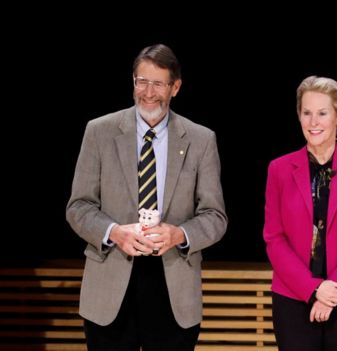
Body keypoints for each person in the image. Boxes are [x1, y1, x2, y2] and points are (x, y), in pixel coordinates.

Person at [66, 44, 227, 351]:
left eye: (158, 83)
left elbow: (215, 217)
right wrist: (114, 232)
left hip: (173, 290)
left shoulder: (201, 139)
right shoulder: (99, 132)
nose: (148, 92)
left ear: (175, 87)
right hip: (110, 286)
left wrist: (179, 234)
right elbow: (78, 207)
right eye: (142, 81)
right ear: (133, 82)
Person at [263, 76, 337, 351]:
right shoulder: (278, 169)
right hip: (292, 298)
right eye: (307, 113)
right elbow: (274, 238)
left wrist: (330, 291)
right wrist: (313, 289)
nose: (313, 122)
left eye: (322, 113)